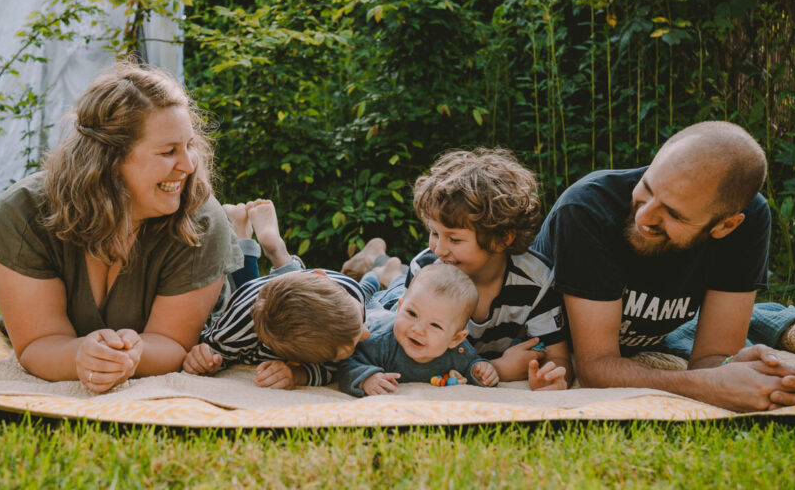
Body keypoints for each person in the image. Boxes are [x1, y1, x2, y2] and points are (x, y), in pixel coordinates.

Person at [0, 62, 243, 393]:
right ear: (108, 160)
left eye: (190, 145)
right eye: (168, 151)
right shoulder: (21, 214)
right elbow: (38, 343)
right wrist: (79, 358)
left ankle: (252, 240)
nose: (190, 165)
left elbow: (173, 343)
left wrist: (133, 357)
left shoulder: (201, 220)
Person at [531, 120, 795, 412]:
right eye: (647, 187)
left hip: (646, 347)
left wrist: (734, 369)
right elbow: (596, 367)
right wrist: (712, 385)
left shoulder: (751, 220)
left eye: (674, 214)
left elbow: (712, 357)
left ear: (726, 225)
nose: (644, 216)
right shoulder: (587, 210)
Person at [347, 148, 570, 390]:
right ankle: (382, 265)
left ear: (501, 238)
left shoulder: (536, 281)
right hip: (394, 305)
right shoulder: (427, 265)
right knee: (395, 292)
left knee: (398, 277)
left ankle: (387, 266)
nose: (439, 249)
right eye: (434, 233)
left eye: (454, 240)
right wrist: (500, 368)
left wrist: (551, 377)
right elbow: (402, 348)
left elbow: (558, 357)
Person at [183, 200, 370, 388]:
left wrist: (296, 375)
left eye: (358, 320)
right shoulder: (236, 332)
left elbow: (332, 368)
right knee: (242, 286)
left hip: (295, 284)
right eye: (346, 350)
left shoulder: (352, 291)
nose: (366, 333)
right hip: (247, 302)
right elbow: (215, 349)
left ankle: (276, 251)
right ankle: (243, 231)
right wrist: (206, 359)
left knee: (291, 283)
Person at [338, 264, 501, 396]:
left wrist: (479, 370)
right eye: (412, 314)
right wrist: (366, 379)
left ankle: (394, 273)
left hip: (408, 301)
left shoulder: (458, 351)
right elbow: (347, 361)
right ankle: (374, 278)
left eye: (435, 325)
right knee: (369, 298)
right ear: (402, 309)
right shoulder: (378, 341)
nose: (418, 330)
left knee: (404, 290)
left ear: (455, 339)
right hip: (381, 310)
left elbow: (472, 362)